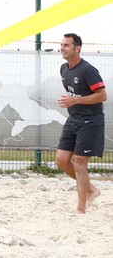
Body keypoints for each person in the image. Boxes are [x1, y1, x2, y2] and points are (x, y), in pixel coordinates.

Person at [55, 33, 107, 214]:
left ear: (77, 48)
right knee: (61, 161)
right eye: (61, 45)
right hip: (73, 120)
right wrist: (70, 101)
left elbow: (102, 96)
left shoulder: (88, 70)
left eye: (66, 45)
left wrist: (75, 101)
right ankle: (92, 189)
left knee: (79, 163)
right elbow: (74, 96)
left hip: (90, 121)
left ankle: (80, 209)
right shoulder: (64, 69)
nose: (62, 48)